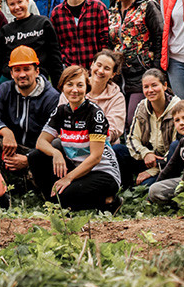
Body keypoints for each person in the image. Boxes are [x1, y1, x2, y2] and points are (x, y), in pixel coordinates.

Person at [31, 64, 122, 212]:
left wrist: (68, 178)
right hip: (77, 168)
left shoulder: (95, 114)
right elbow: (41, 142)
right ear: (62, 87)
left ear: (86, 88)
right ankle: (55, 202)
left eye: (80, 85)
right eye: (69, 85)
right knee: (36, 156)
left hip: (103, 173)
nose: (74, 90)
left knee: (64, 196)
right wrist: (56, 153)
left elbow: (95, 157)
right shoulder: (61, 111)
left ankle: (110, 201)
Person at [0, 47, 59, 189]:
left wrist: (29, 159)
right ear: (11, 73)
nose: (22, 74)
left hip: (37, 151)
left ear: (37, 71)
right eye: (17, 70)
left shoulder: (51, 97)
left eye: (26, 69)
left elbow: (54, 135)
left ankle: (33, 184)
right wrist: (5, 131)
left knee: (56, 146)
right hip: (10, 146)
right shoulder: (6, 89)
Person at [107, 0, 163, 120]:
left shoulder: (147, 6)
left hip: (143, 73)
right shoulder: (112, 12)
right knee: (120, 119)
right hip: (120, 76)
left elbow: (160, 37)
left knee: (134, 118)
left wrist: (157, 71)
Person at [125, 68, 181, 185]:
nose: (150, 90)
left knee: (147, 186)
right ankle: (126, 185)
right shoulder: (142, 107)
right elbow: (132, 139)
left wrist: (153, 170)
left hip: (168, 162)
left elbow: (178, 146)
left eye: (154, 85)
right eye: (146, 87)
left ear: (164, 86)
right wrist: (146, 153)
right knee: (118, 150)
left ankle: (153, 180)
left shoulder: (177, 108)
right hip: (147, 158)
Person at [0, 0, 62, 85]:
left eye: (20, 2)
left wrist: (58, 84)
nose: (17, 7)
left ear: (27, 1)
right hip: (14, 81)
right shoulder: (6, 30)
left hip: (40, 80)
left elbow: (54, 56)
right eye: (12, 4)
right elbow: (1, 60)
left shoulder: (43, 23)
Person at [50, 0, 110, 68]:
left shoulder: (98, 8)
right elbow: (56, 45)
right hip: (70, 71)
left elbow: (105, 42)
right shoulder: (57, 13)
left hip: (94, 69)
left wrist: (100, 66)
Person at [86, 49, 126, 141]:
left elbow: (114, 130)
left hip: (104, 145)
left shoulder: (117, 97)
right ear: (92, 65)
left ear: (113, 74)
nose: (100, 71)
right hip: (72, 141)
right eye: (98, 65)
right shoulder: (74, 88)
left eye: (107, 68)